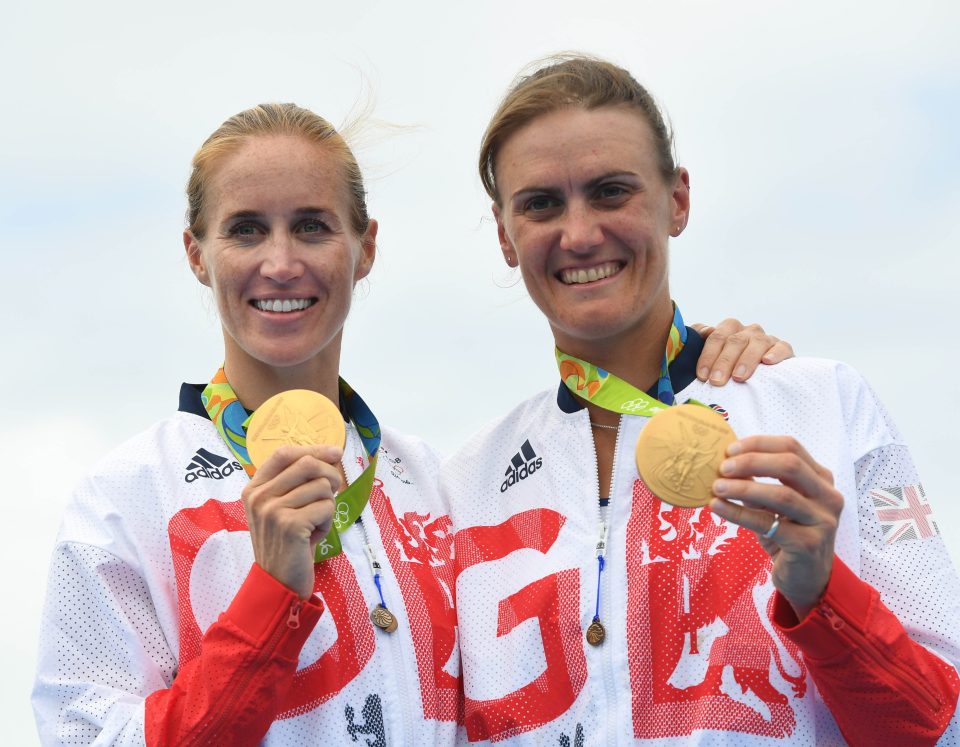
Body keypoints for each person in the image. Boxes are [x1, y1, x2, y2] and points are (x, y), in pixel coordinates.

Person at [31, 103, 790, 746]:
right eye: (246, 230)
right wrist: (266, 600)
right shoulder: (126, 497)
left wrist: (708, 362)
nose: (282, 261)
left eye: (314, 226)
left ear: (365, 249)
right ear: (197, 254)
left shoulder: (435, 481)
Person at [442, 55, 960, 746]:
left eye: (611, 191)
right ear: (506, 235)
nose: (580, 233)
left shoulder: (822, 404)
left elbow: (943, 723)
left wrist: (824, 592)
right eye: (540, 203)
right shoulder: (464, 481)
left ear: (677, 199)